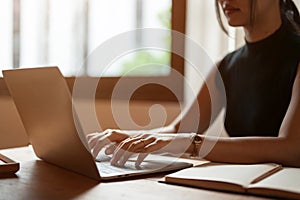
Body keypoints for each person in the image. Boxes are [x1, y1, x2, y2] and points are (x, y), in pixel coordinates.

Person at [87, 0, 300, 168]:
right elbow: (180, 129)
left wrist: (192, 143)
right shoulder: (226, 66)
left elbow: (291, 149)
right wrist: (127, 138)